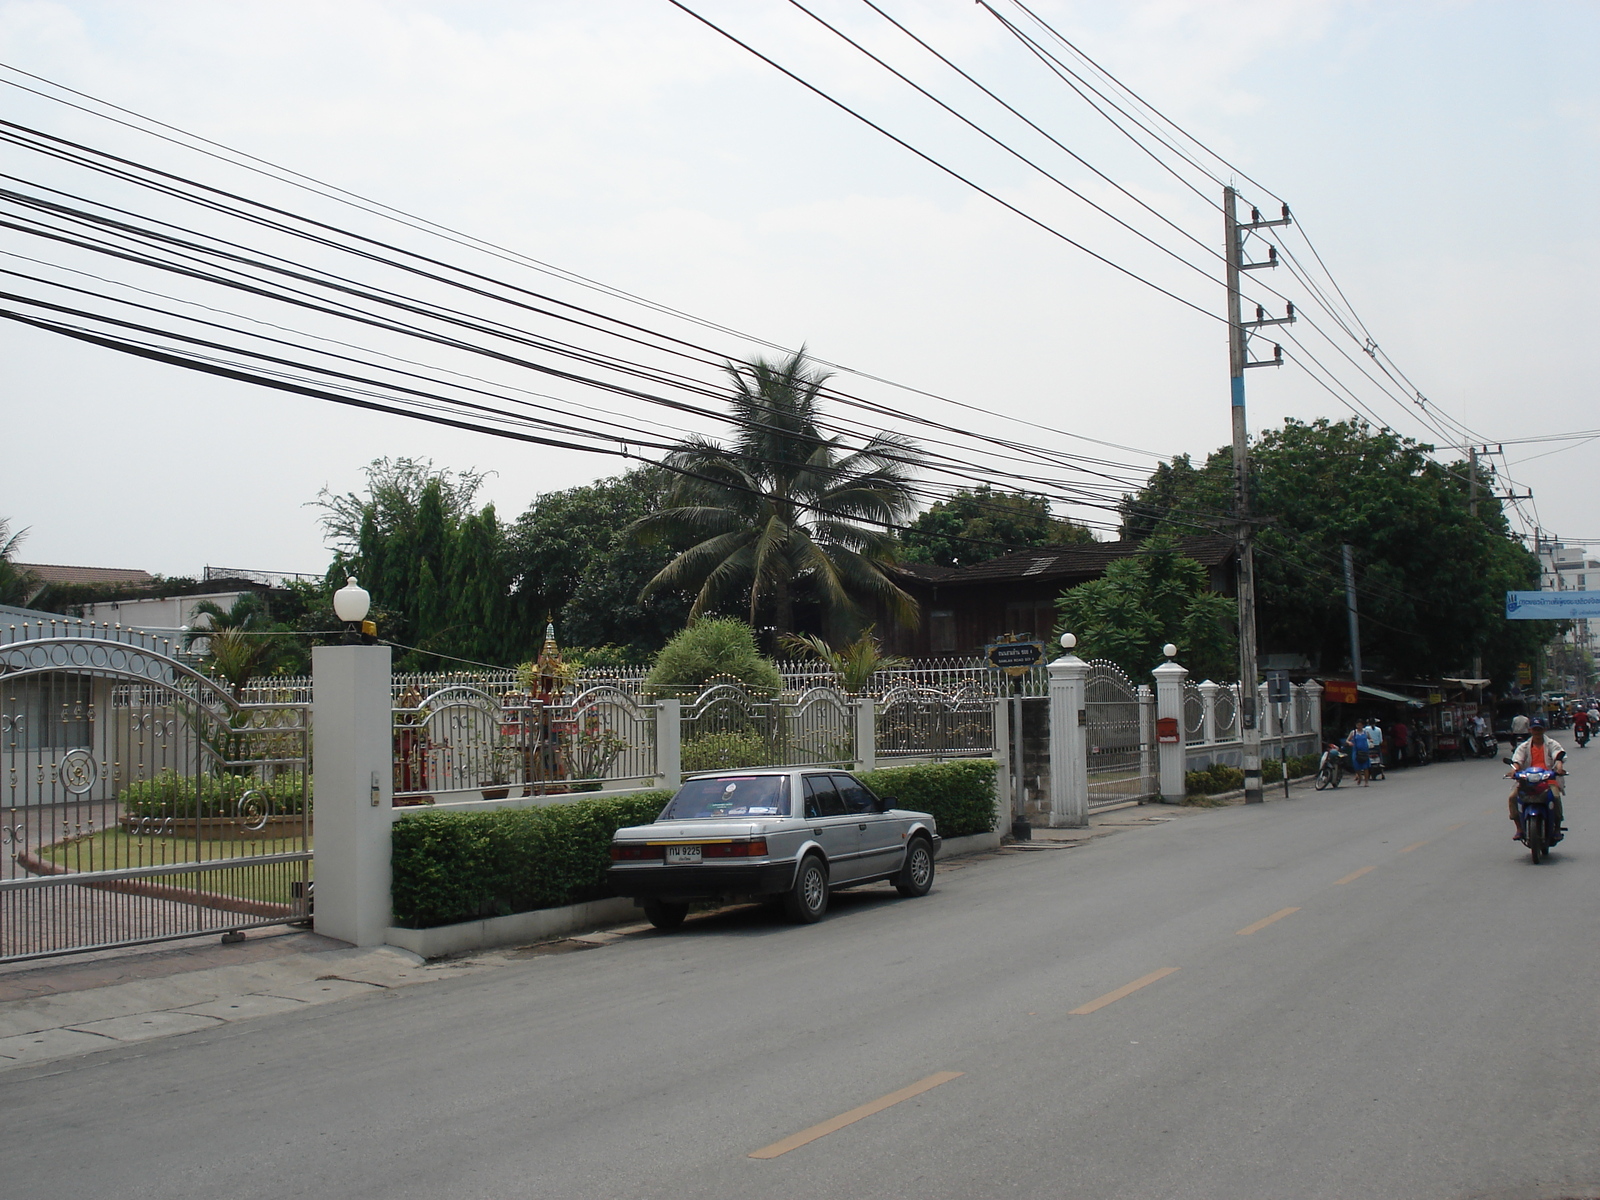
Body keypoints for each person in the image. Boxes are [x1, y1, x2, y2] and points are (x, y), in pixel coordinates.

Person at [1506, 717, 1567, 842]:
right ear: (1530, 730)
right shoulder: (1524, 746)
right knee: (1512, 797)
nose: (1537, 732)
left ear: (1544, 729)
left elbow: (1558, 754)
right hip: (1527, 781)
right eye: (1534, 729)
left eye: (1539, 729)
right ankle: (1519, 828)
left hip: (1548, 780)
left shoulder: (1552, 744)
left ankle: (1557, 827)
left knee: (1555, 797)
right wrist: (1514, 770)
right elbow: (1518, 760)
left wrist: (1559, 766)